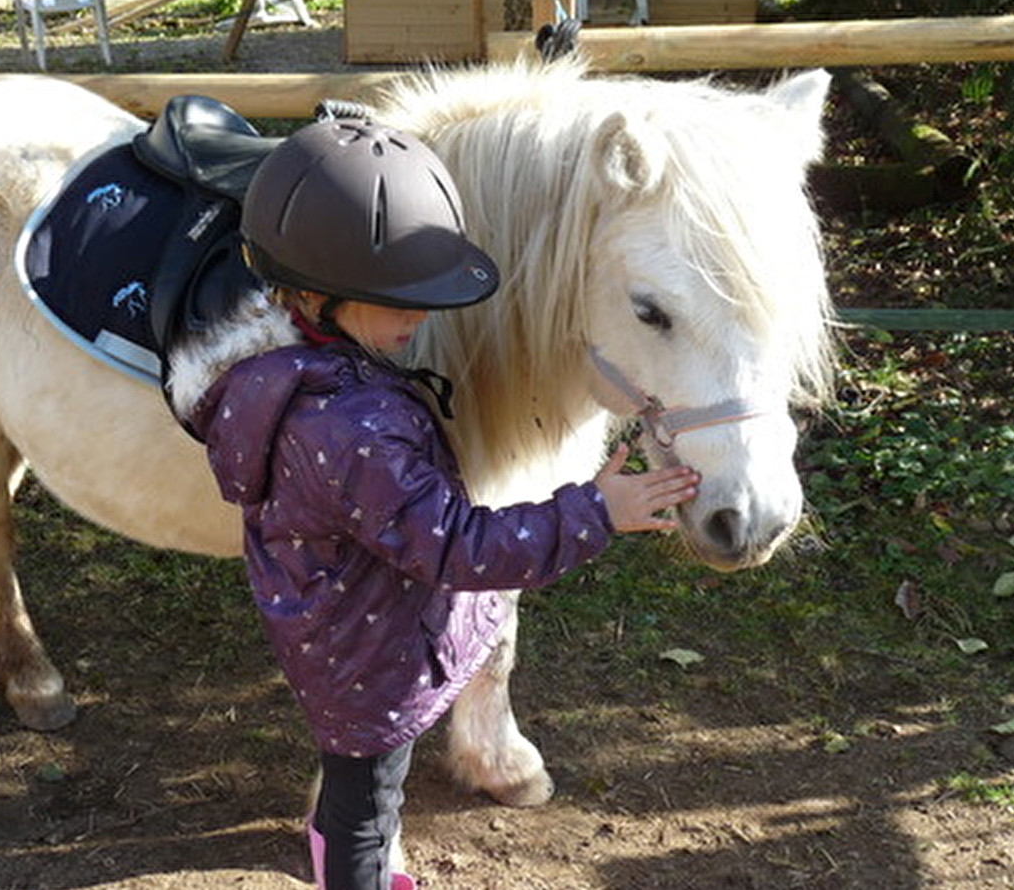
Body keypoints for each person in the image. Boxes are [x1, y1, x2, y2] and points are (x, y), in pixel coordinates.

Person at [180, 118, 700, 890]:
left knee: (356, 792)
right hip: (373, 659)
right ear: (322, 298)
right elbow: (461, 549)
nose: (422, 318)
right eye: (399, 301)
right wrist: (597, 509)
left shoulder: (290, 379)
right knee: (369, 803)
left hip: (340, 633)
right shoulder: (354, 429)